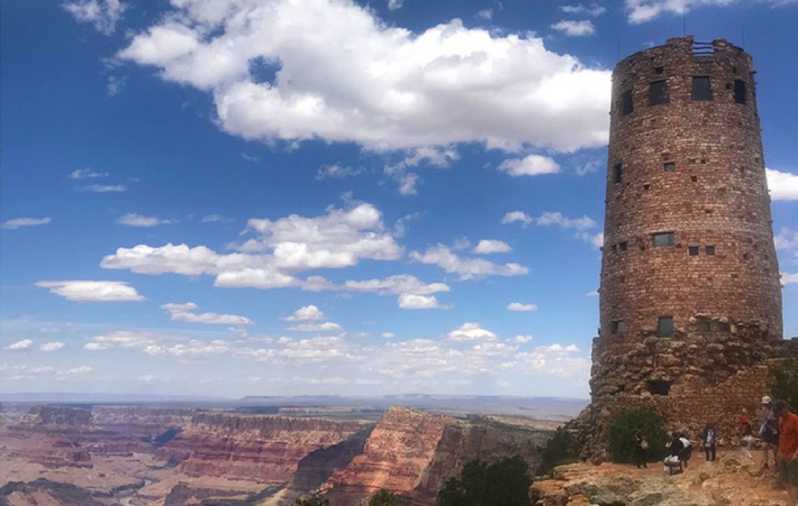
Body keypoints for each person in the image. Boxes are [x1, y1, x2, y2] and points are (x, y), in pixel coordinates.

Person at [774, 400, 798, 506]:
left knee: (793, 481)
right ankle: (793, 499)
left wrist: (797, 453)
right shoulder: (780, 420)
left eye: (780, 411)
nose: (779, 414)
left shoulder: (795, 419)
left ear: (785, 408)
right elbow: (782, 436)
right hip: (783, 454)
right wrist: (779, 451)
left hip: (792, 455)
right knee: (783, 480)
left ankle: (793, 503)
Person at [760, 396, 779, 471]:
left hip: (774, 430)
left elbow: (776, 421)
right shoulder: (763, 410)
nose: (765, 406)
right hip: (766, 430)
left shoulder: (774, 411)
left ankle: (776, 462)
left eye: (766, 404)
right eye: (764, 404)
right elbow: (762, 421)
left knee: (775, 448)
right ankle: (765, 463)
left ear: (770, 403)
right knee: (764, 446)